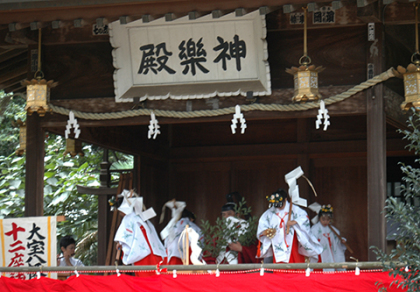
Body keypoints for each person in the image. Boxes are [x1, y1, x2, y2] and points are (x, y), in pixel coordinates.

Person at [257, 188, 322, 263]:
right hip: (277, 240)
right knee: (279, 260)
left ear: (285, 200)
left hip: (292, 241)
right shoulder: (270, 213)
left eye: (280, 203)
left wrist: (294, 222)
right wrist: (266, 231)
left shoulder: (294, 209)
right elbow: (263, 224)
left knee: (294, 259)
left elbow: (304, 217)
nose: (278, 206)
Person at [114, 191, 166, 277]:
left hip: (141, 253)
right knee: (154, 275)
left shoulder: (128, 218)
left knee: (145, 278)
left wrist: (120, 243)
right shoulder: (141, 216)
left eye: (120, 210)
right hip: (152, 251)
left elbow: (124, 237)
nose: (120, 213)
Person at [217, 198, 258, 264]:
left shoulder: (247, 229)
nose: (226, 217)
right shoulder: (219, 233)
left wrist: (242, 249)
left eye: (229, 214)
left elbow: (255, 251)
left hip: (240, 265)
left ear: (237, 215)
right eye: (223, 214)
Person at [310, 204, 346, 271]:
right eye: (323, 219)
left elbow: (337, 244)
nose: (325, 221)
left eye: (328, 219)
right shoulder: (315, 229)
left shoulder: (334, 230)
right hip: (320, 255)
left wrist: (341, 241)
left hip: (331, 254)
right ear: (319, 218)